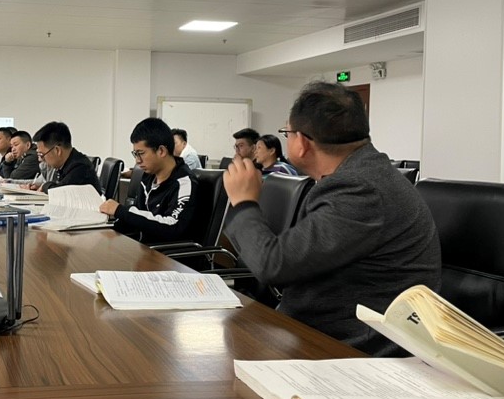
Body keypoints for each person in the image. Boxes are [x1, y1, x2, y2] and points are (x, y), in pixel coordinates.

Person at [222, 82, 441, 356]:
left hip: (352, 348)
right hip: (321, 330)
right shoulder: (361, 175)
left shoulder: (360, 190)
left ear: (302, 143)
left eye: (287, 133)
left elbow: (273, 265)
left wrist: (243, 202)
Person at [101, 118, 198, 244]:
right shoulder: (148, 177)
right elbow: (138, 216)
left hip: (167, 253)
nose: (137, 161)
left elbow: (172, 227)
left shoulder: (184, 183)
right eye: (135, 154)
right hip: (143, 247)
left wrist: (120, 211)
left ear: (161, 151)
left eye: (141, 153)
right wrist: (106, 228)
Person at [29, 121, 100, 193]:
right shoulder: (67, 164)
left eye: (42, 155)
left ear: (57, 150)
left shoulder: (80, 167)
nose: (40, 159)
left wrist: (45, 186)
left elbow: (59, 191)